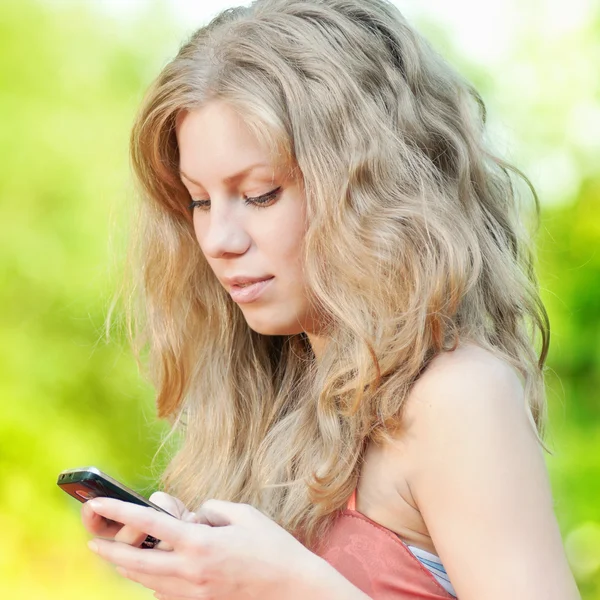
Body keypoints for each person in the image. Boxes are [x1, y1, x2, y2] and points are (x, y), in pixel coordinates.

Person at [80, 0, 581, 598]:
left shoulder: (456, 395)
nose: (218, 240)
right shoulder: (268, 407)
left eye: (261, 194)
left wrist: (291, 586)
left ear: (371, 189)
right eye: (201, 200)